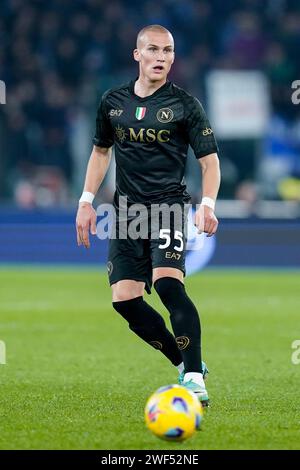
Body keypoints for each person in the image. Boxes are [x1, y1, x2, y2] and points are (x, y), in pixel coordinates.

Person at [76, 25, 220, 406]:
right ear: (137, 55)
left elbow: (210, 163)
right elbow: (101, 152)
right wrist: (85, 200)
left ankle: (193, 380)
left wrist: (207, 205)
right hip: (126, 212)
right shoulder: (112, 101)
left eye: (168, 51)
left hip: (169, 206)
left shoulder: (186, 105)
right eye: (153, 50)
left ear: (174, 57)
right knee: (124, 301)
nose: (161, 57)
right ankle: (187, 362)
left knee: (169, 285)